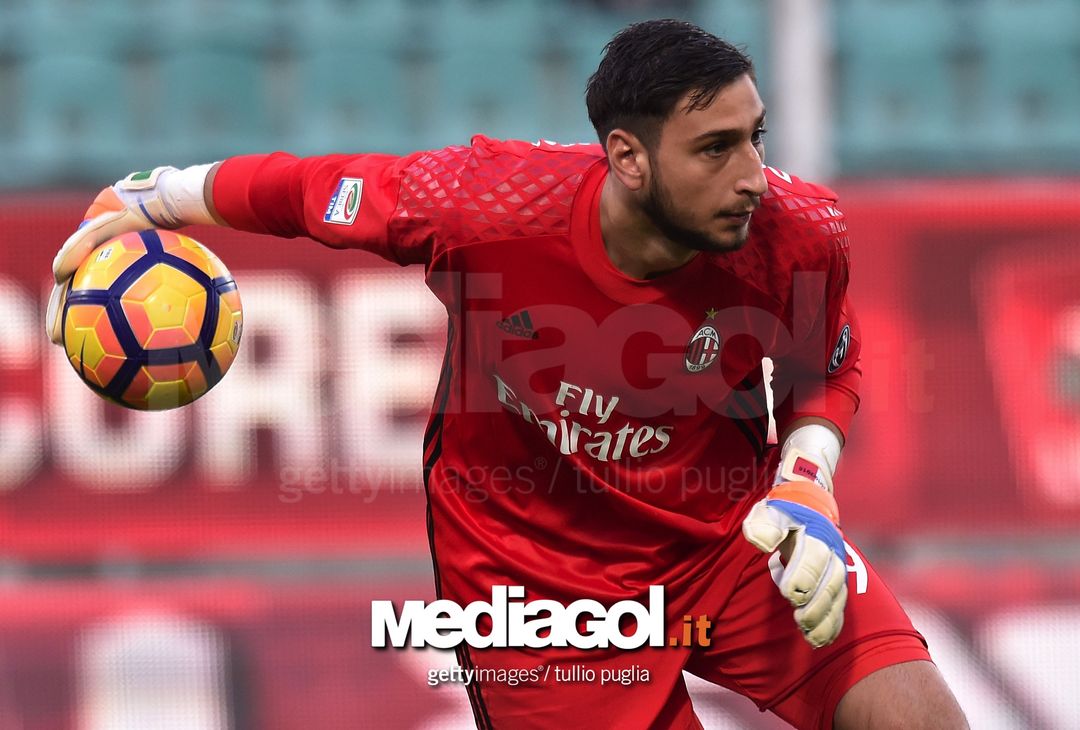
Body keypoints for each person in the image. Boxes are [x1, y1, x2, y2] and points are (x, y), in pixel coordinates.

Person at [46, 19, 967, 730]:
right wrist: (150, 194)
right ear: (628, 160)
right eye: (716, 148)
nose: (755, 175)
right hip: (537, 588)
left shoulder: (799, 233)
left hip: (730, 541)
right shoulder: (485, 208)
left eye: (756, 137)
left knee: (918, 713)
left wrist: (806, 480)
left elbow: (829, 368)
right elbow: (304, 191)